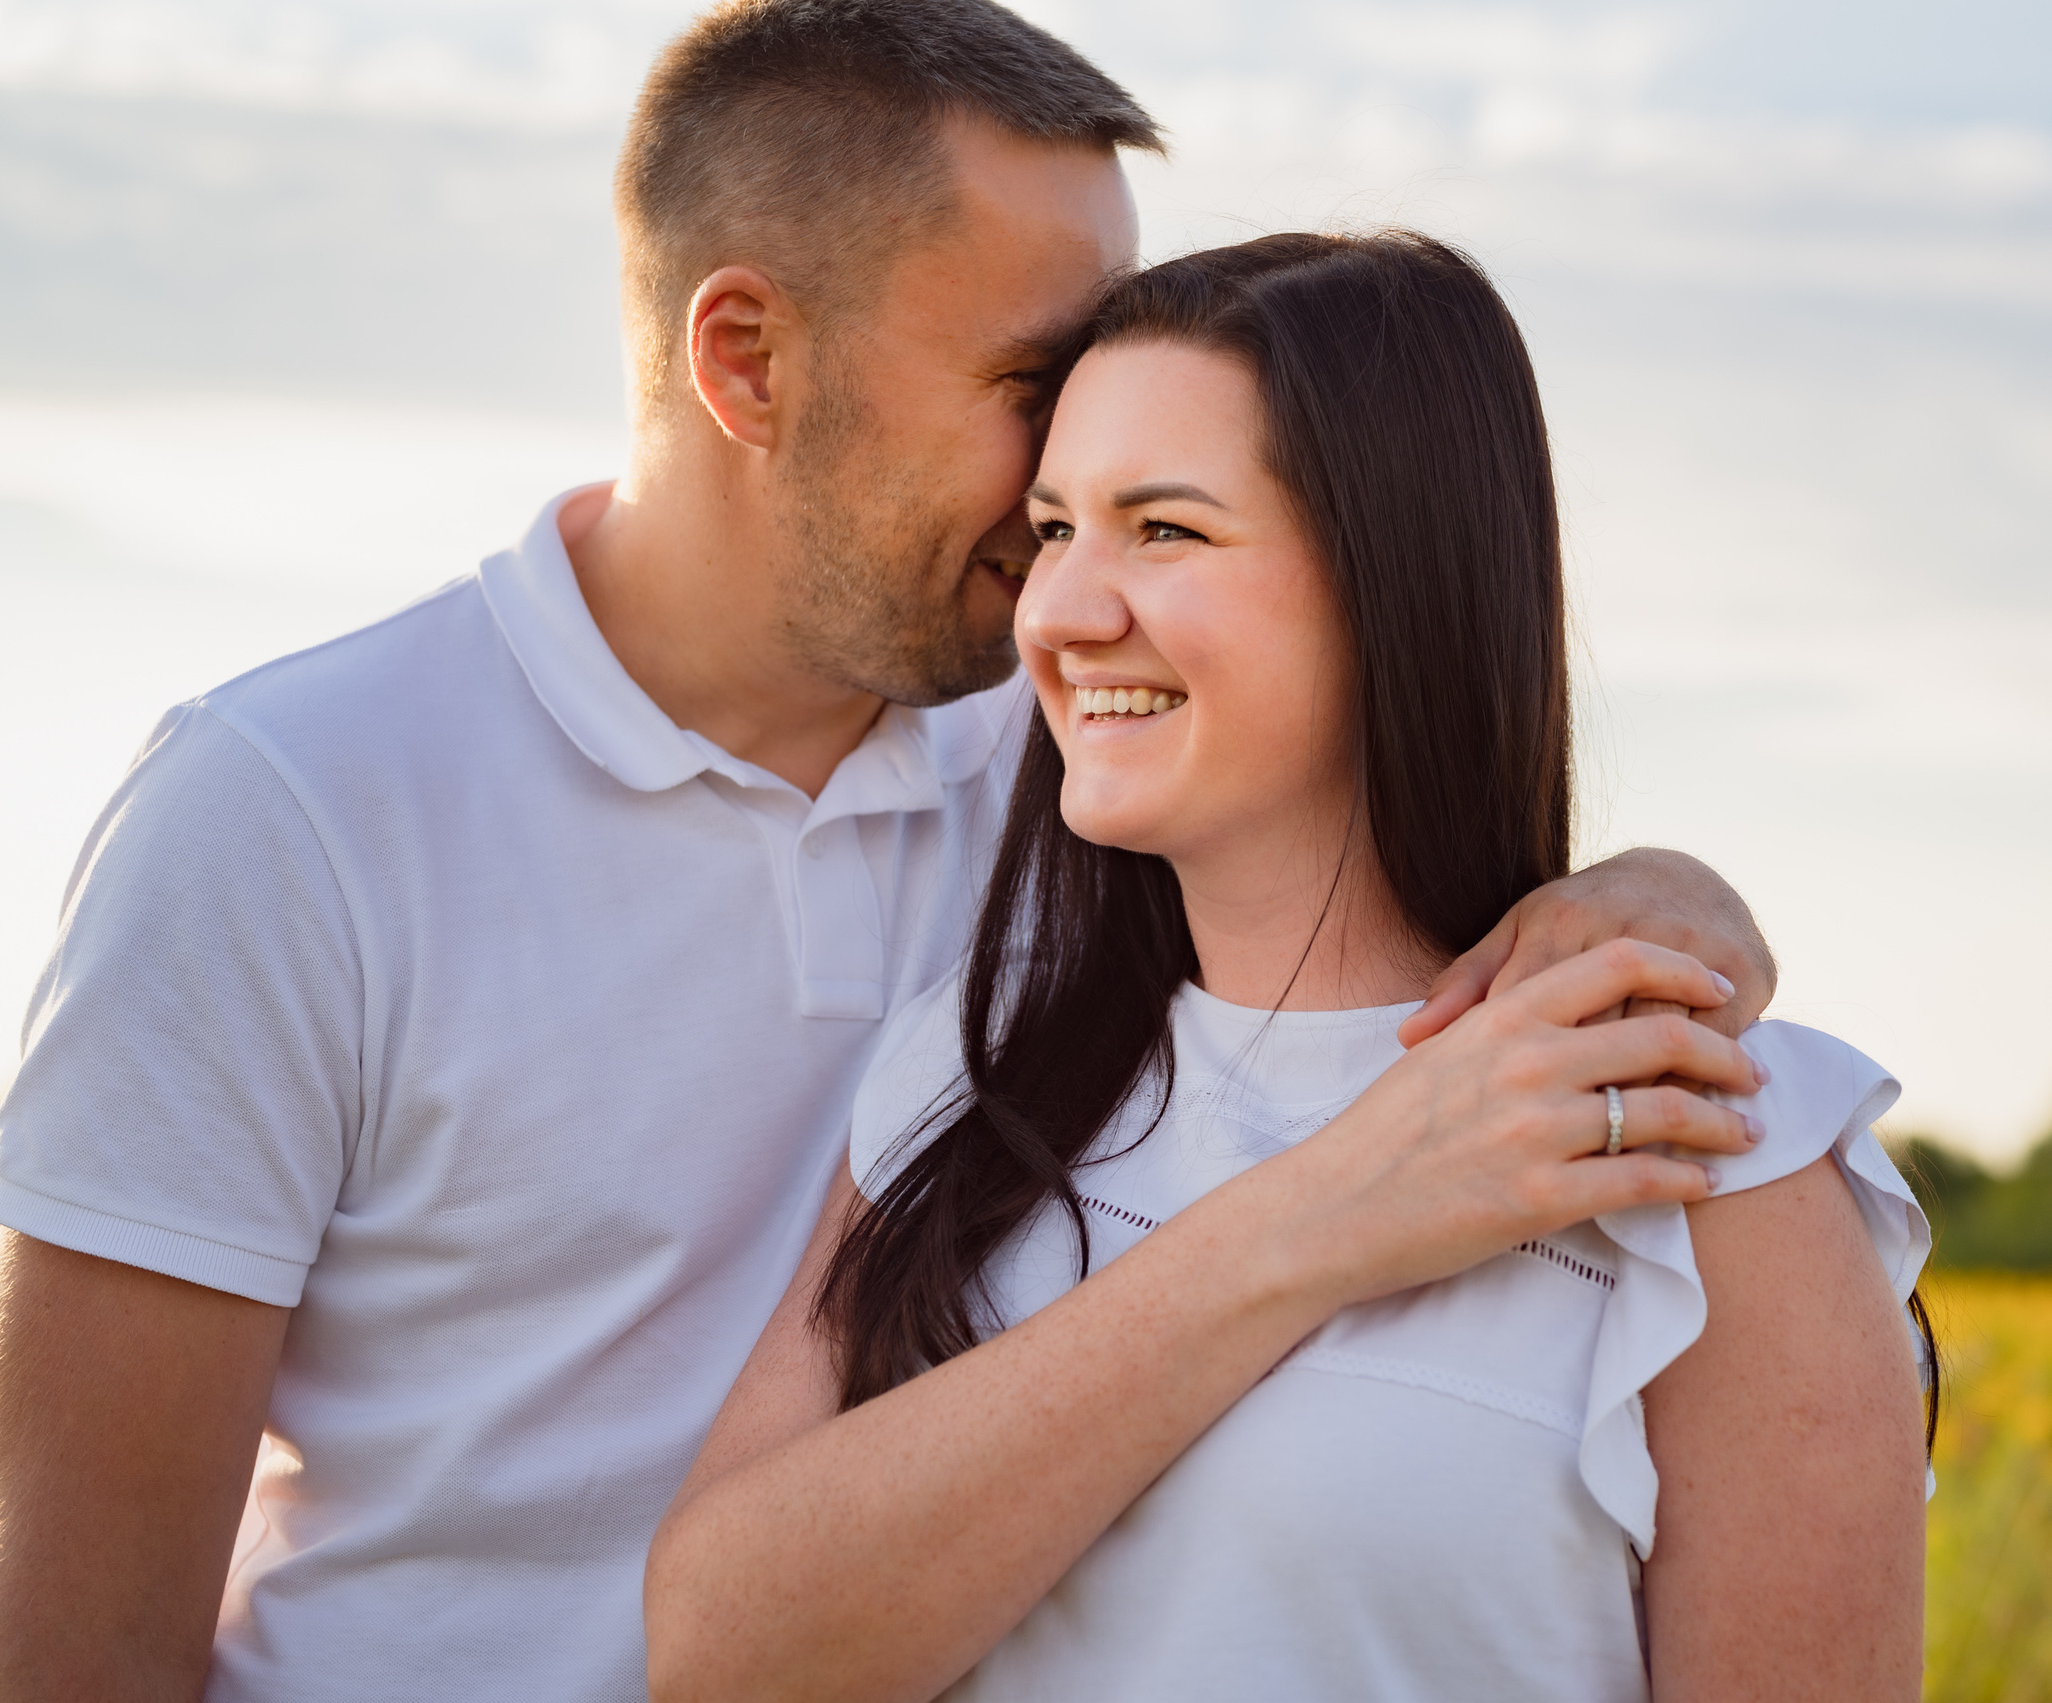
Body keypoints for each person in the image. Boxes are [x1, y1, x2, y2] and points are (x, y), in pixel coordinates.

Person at [0, 5, 1781, 1700]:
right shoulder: (285, 815)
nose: (1071, 482)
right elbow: (75, 1640)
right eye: (1031, 381)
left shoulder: (1074, 752)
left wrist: (1658, 902)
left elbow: (1386, 854)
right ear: (747, 361)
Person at [645, 233, 1934, 1702]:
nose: (1060, 613)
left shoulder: (1703, 1145)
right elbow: (721, 1656)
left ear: (1399, 583)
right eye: (1055, 527)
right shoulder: (976, 1064)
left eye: (1166, 531)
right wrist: (1325, 1214)